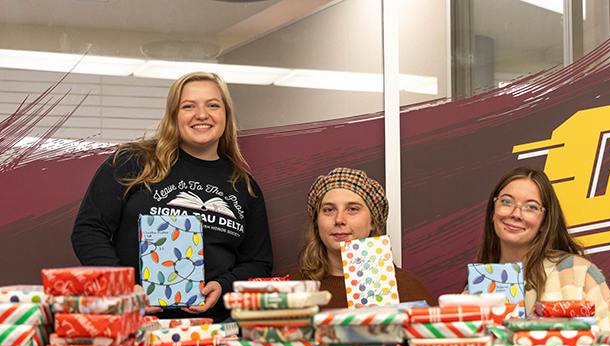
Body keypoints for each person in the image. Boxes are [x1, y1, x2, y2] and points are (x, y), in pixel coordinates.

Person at [72, 72, 273, 324]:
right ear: (173, 116)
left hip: (215, 329)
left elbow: (258, 262)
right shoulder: (133, 162)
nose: (202, 114)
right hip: (136, 324)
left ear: (226, 115)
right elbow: (88, 230)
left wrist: (224, 287)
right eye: (188, 106)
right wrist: (124, 288)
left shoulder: (244, 186)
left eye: (213, 105)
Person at [473, 166, 610, 331]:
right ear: (493, 212)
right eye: (506, 202)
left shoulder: (579, 273)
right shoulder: (478, 283)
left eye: (530, 207)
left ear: (545, 222)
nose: (516, 214)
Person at [289, 167, 436, 308]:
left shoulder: (405, 286)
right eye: (329, 210)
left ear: (372, 222)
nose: (339, 219)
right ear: (317, 221)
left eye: (352, 209)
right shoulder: (291, 288)